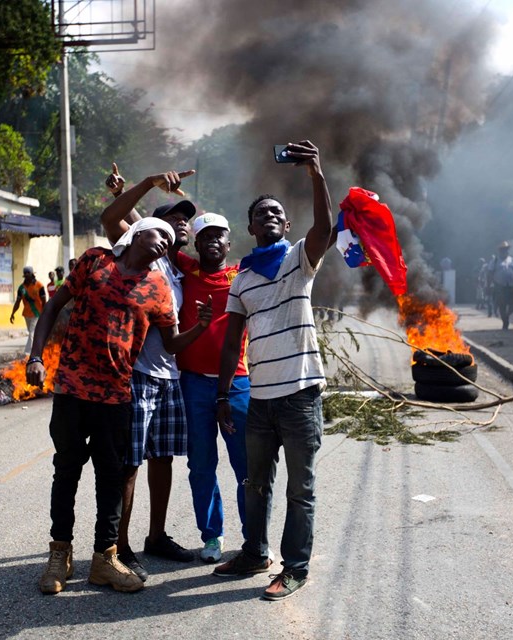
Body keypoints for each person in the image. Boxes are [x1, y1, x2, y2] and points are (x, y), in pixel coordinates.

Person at [26, 216, 212, 596]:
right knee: (66, 472)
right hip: (72, 389)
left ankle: (104, 559)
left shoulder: (159, 286)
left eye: (170, 238)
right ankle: (59, 554)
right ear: (137, 232)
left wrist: (200, 327)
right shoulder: (94, 261)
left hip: (116, 395)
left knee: (111, 477)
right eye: (159, 232)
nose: (165, 241)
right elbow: (52, 307)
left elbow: (172, 344)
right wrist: (36, 357)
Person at [212, 140, 332, 602]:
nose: (269, 217)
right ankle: (254, 552)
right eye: (260, 213)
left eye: (276, 213)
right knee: (255, 482)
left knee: (300, 490)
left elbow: (325, 224)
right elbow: (230, 342)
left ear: (285, 224)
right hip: (259, 399)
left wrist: (315, 173)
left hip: (300, 395)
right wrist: (223, 397)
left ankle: (294, 568)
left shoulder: (300, 258)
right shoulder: (240, 278)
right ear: (250, 226)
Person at [101, 163, 200, 581]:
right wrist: (138, 191)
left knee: (163, 457)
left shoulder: (177, 269)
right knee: (131, 462)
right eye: (173, 218)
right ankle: (118, 544)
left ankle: (155, 535)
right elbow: (115, 221)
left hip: (169, 376)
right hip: (137, 373)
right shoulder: (143, 253)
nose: (182, 223)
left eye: (187, 220)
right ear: (149, 230)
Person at [175, 212, 250, 564]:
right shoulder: (186, 269)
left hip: (236, 384)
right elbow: (141, 231)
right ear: (196, 243)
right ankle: (212, 537)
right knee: (201, 465)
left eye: (219, 236)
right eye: (205, 236)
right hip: (193, 384)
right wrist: (121, 197)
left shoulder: (242, 275)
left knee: (246, 465)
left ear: (229, 243)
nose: (212, 242)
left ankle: (254, 539)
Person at [10, 266, 47, 355]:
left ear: (32, 274)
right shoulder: (21, 288)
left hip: (37, 313)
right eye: (25, 273)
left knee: (31, 333)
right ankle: (39, 349)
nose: (26, 275)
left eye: (28, 273)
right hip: (27, 314)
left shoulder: (39, 286)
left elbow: (44, 301)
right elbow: (18, 302)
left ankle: (28, 353)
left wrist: (45, 312)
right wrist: (12, 313)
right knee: (32, 334)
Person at [487, 241, 513, 330]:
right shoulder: (495, 261)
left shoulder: (512, 260)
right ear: (499, 251)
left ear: (508, 250)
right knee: (502, 305)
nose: (504, 251)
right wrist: (488, 285)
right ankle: (505, 322)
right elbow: (490, 273)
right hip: (500, 286)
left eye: (505, 249)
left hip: (511, 285)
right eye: (502, 250)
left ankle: (507, 315)